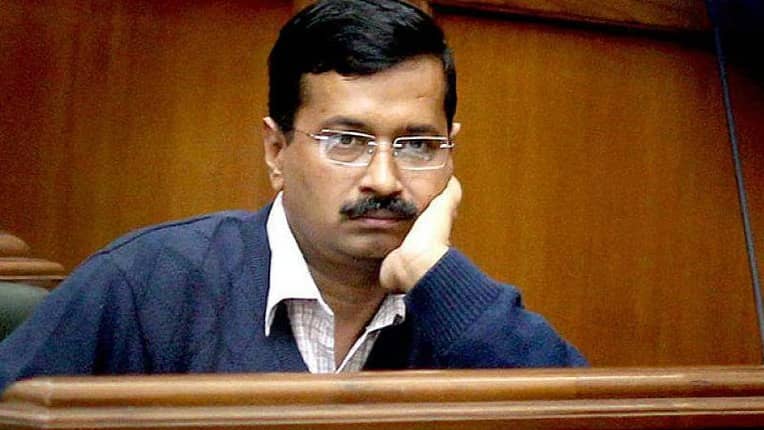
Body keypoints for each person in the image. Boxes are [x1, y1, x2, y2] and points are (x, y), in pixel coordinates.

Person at [0, 0, 585, 393]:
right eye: (346, 141)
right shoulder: (144, 284)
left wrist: (432, 272)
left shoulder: (463, 313)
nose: (384, 180)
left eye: (416, 145)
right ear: (277, 151)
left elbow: (585, 416)